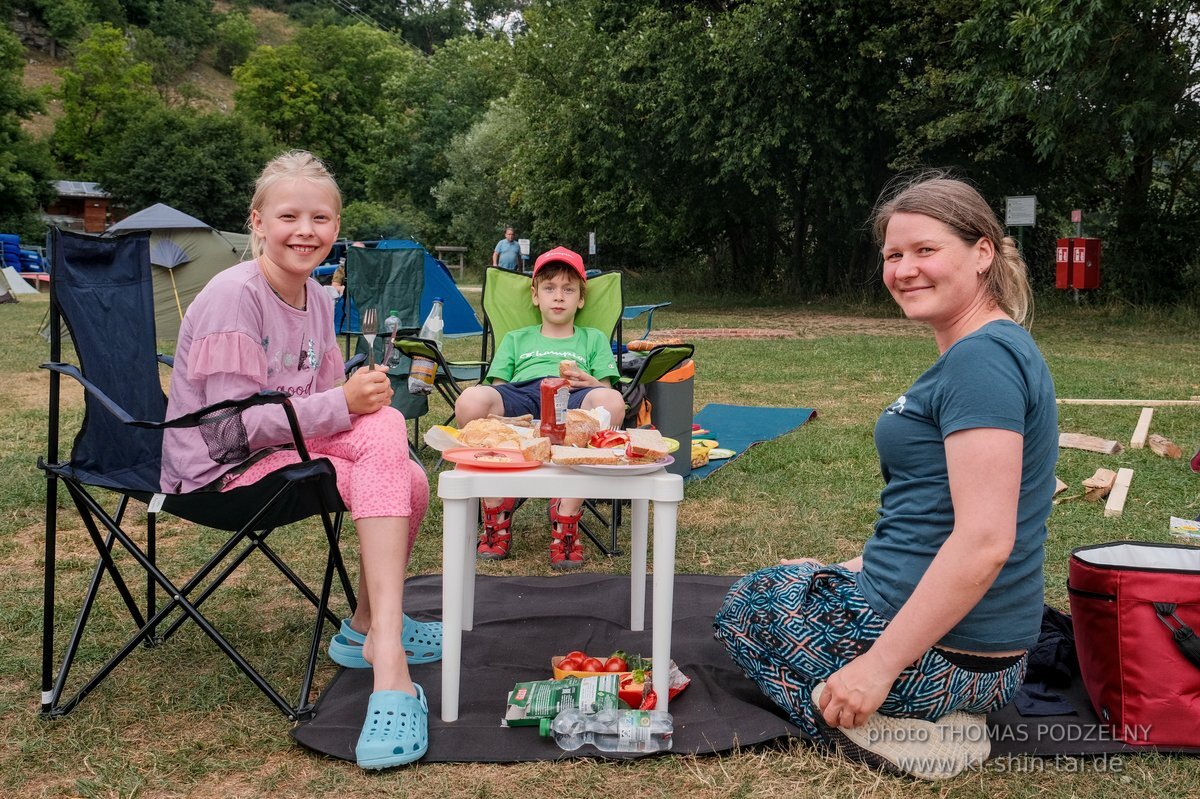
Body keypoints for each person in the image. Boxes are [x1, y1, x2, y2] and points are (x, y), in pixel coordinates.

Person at [714, 172, 1058, 780]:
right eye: (893, 255)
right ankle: (936, 713)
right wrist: (853, 568)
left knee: (748, 605)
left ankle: (888, 728)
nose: (904, 269)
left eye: (926, 250)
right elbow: (936, 512)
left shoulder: (982, 361)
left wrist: (877, 668)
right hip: (977, 657)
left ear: (982, 252)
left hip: (941, 662)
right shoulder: (987, 349)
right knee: (796, 576)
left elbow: (985, 540)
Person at [160, 151, 436, 771]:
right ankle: (384, 654)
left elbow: (324, 406)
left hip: (284, 446)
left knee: (406, 467)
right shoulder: (236, 297)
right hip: (218, 471)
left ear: (337, 228)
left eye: (321, 217)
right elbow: (227, 432)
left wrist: (353, 400)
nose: (305, 230)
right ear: (257, 221)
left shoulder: (314, 296)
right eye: (289, 216)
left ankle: (368, 625)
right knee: (393, 445)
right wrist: (342, 403)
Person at [454, 246, 625, 568]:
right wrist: (511, 421)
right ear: (535, 296)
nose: (558, 297)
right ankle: (496, 504)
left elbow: (606, 391)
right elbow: (498, 389)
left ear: (581, 299)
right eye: (549, 288)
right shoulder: (517, 338)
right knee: (470, 400)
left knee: (612, 402)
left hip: (574, 396)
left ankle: (567, 510)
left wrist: (588, 380)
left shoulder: (593, 338)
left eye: (568, 289)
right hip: (524, 396)